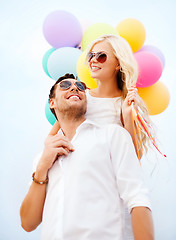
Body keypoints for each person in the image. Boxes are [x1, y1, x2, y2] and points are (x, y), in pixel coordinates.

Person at [20, 74, 154, 240]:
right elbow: (28, 223)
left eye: (81, 87)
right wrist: (41, 169)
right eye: (65, 85)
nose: (75, 87)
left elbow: (137, 198)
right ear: (52, 103)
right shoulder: (43, 158)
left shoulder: (112, 135)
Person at [49, 34, 151, 160]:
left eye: (101, 56)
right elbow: (51, 139)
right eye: (91, 55)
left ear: (118, 63)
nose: (92, 60)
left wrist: (127, 115)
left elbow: (134, 158)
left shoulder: (126, 104)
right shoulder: (80, 96)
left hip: (104, 175)